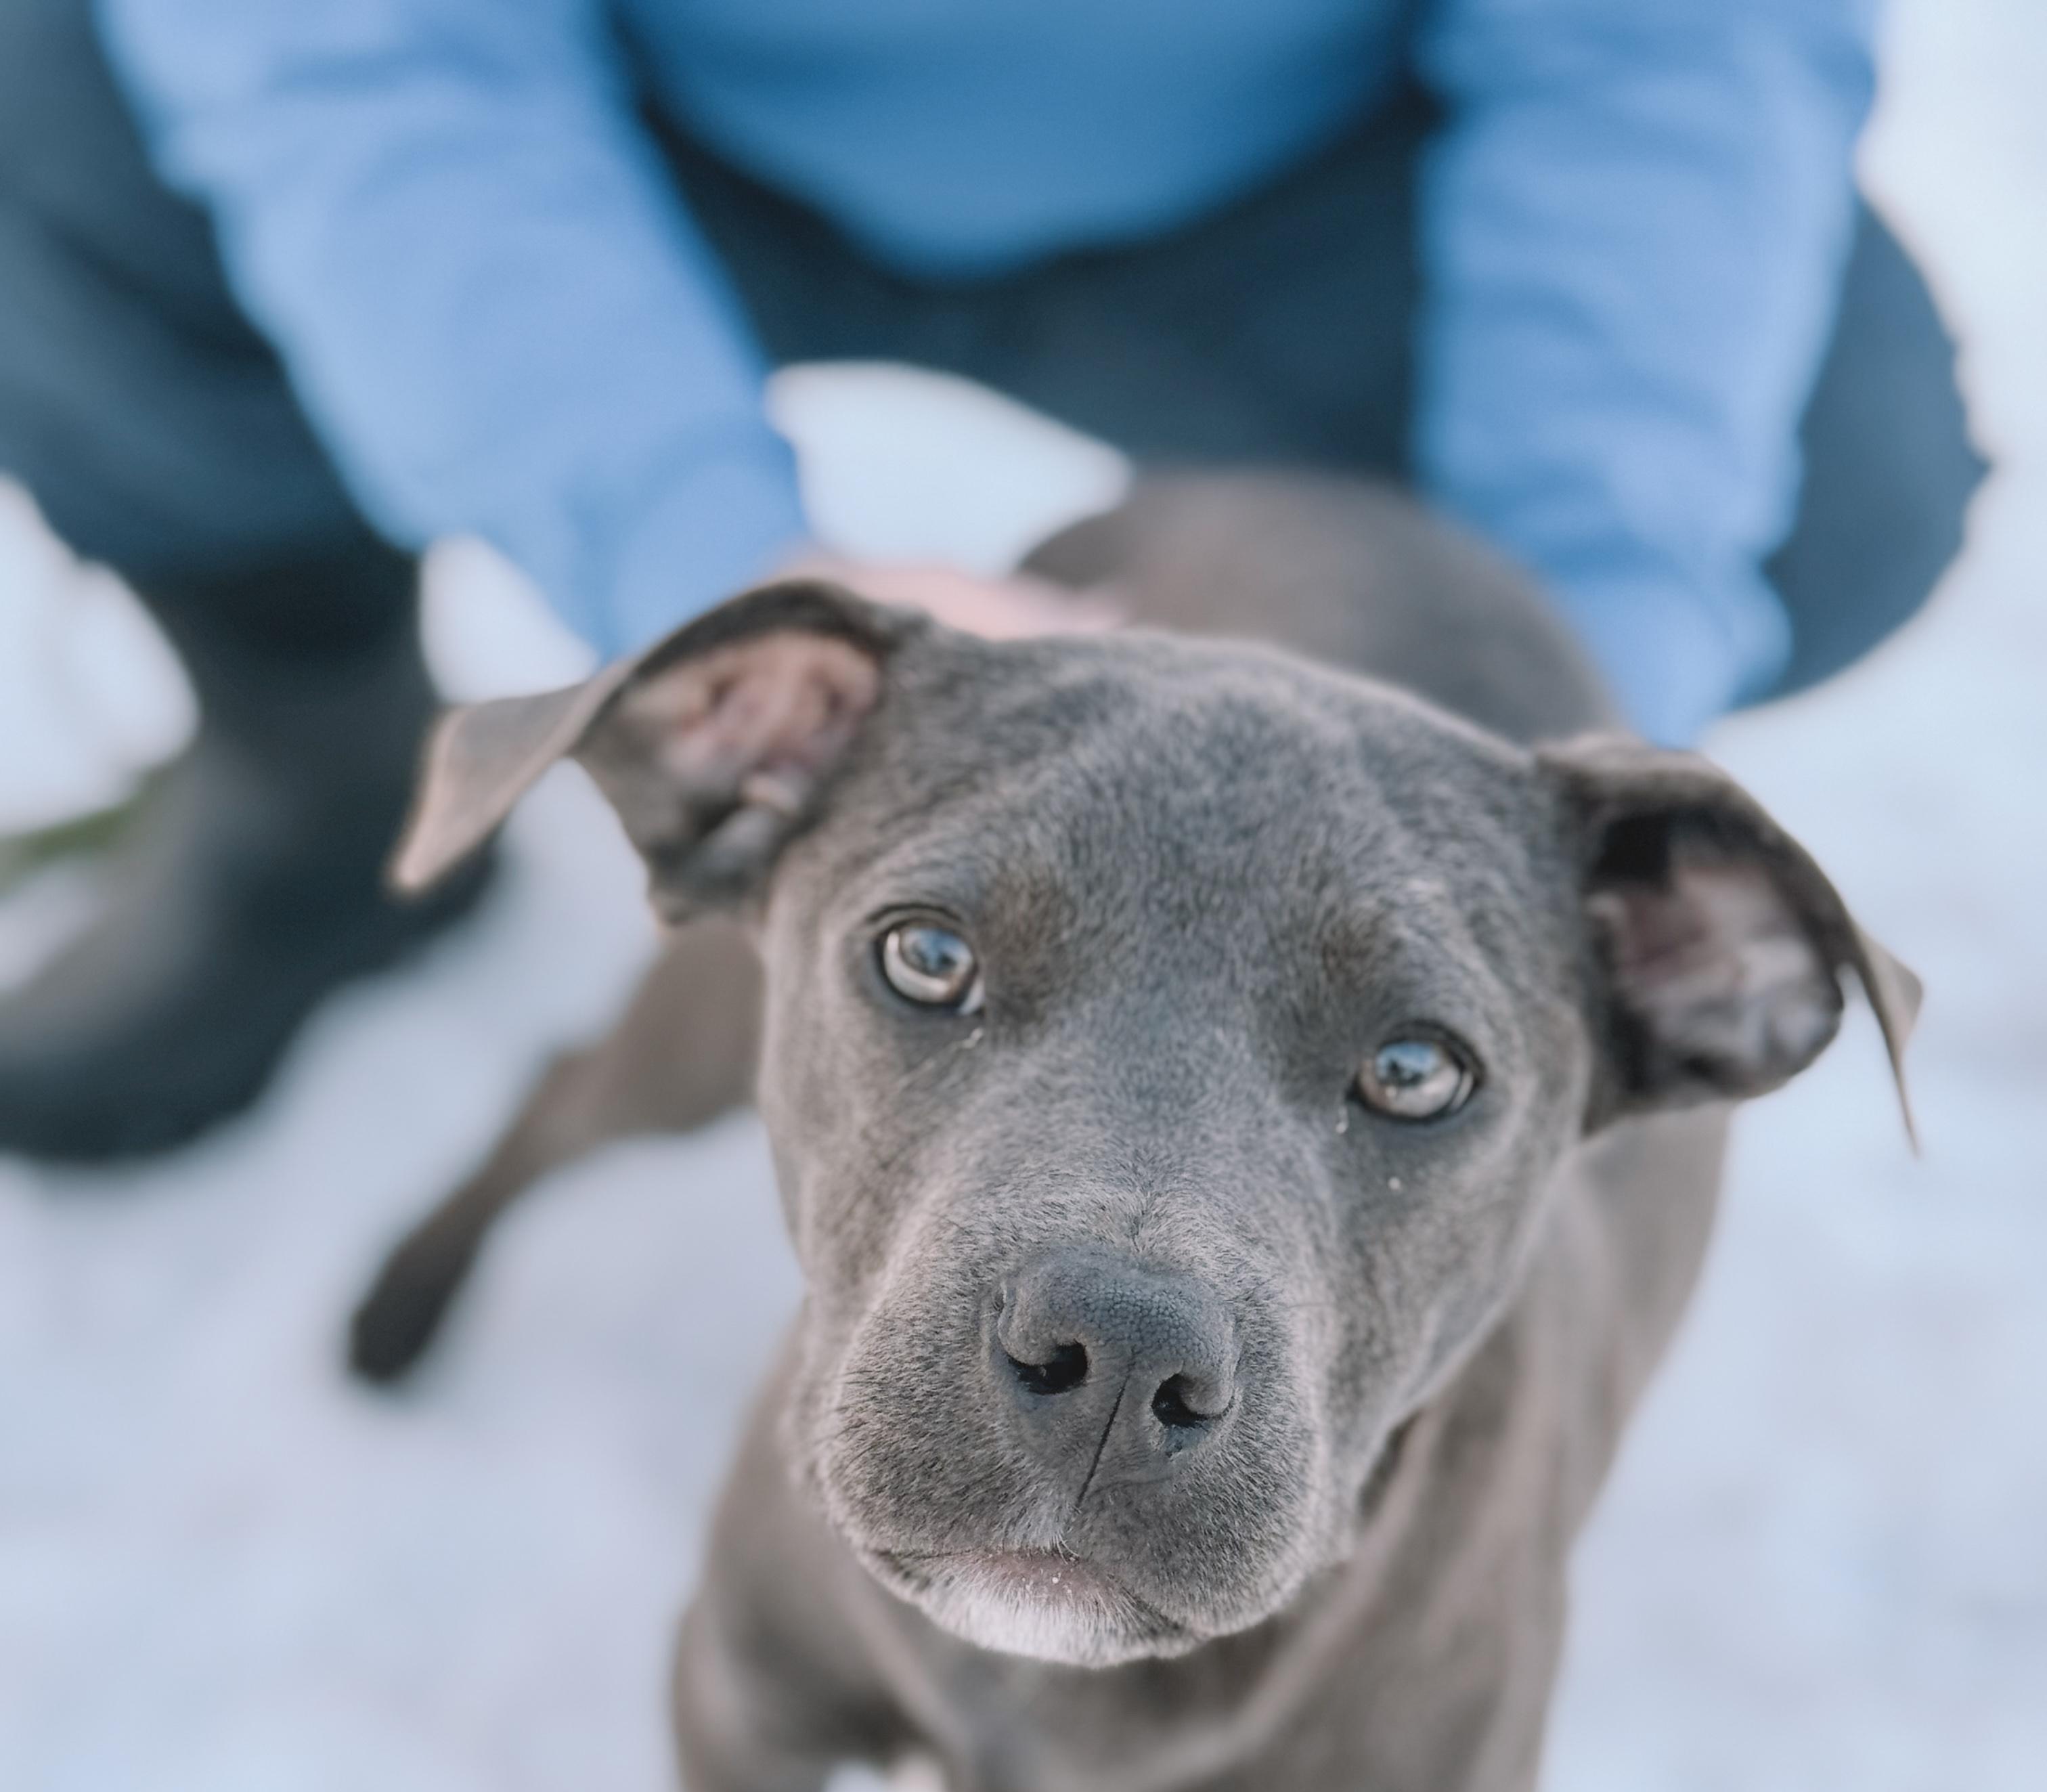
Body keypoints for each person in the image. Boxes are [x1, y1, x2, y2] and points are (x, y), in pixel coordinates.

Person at [0, 0, 1982, 1162]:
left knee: (1835, 458)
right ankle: (321, 806)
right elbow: (358, 54)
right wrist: (719, 580)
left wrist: (1550, 674)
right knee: (56, 105)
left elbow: (1671, 47)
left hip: (1298, 150)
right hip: (638, 94)